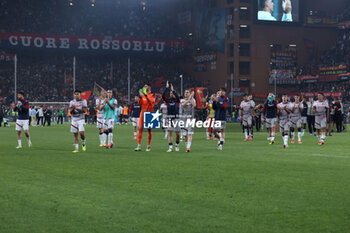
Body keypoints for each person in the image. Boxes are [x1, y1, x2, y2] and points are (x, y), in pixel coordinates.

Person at [134, 84, 155, 152]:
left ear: (149, 87)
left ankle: (148, 146)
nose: (145, 87)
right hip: (142, 114)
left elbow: (151, 102)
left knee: (149, 130)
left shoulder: (152, 95)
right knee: (140, 128)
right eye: (144, 86)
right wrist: (140, 96)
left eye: (146, 86)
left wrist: (145, 95)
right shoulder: (143, 95)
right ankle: (139, 145)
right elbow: (140, 103)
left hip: (149, 114)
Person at [162, 81, 181, 152]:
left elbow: (178, 97)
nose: (171, 94)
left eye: (172, 93)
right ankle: (170, 147)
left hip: (176, 118)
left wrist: (173, 90)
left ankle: (177, 145)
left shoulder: (177, 100)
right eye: (170, 93)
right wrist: (166, 88)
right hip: (170, 118)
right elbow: (163, 96)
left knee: (178, 134)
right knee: (170, 133)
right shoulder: (168, 101)